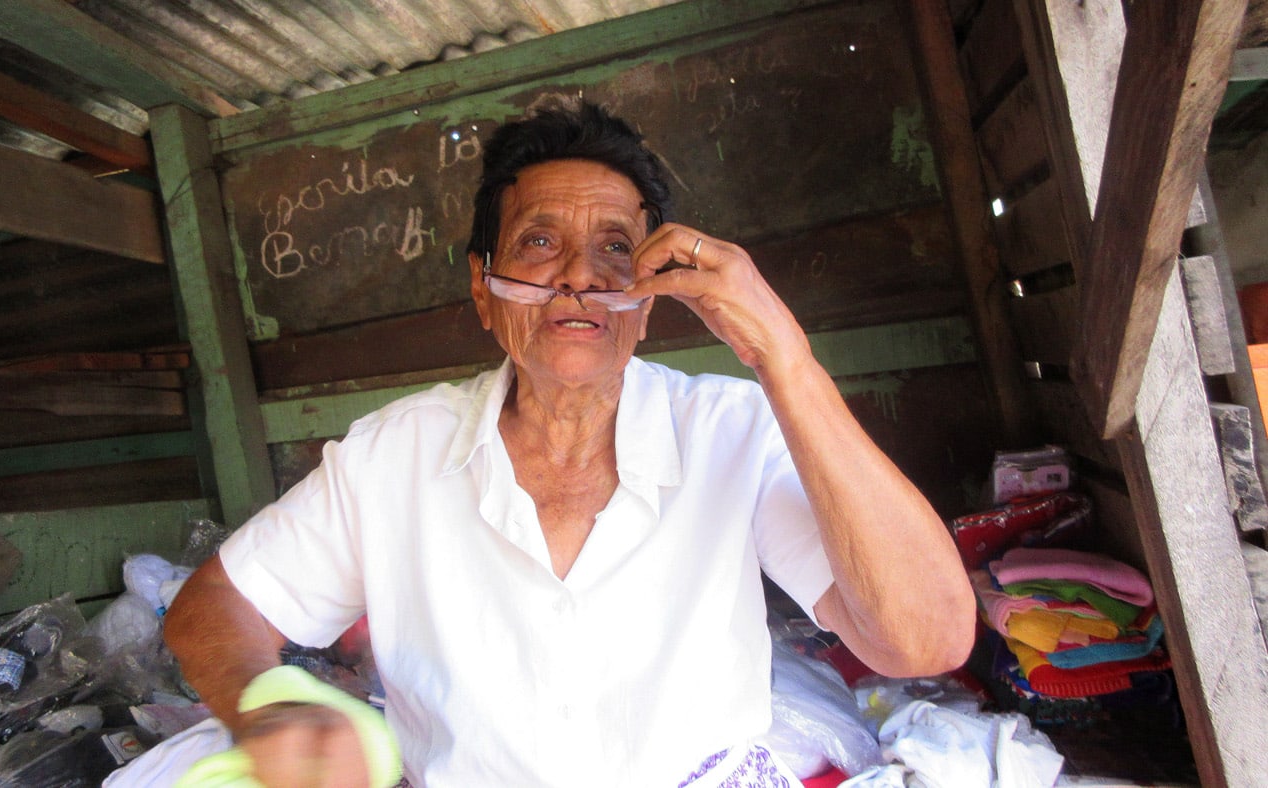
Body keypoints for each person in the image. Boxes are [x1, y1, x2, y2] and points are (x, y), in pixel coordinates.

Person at [150, 98, 975, 787]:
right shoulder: (392, 455)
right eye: (540, 242)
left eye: (616, 248)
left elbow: (925, 638)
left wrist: (783, 356)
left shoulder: (730, 429)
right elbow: (212, 610)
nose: (579, 277)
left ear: (647, 303)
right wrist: (274, 701)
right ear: (484, 289)